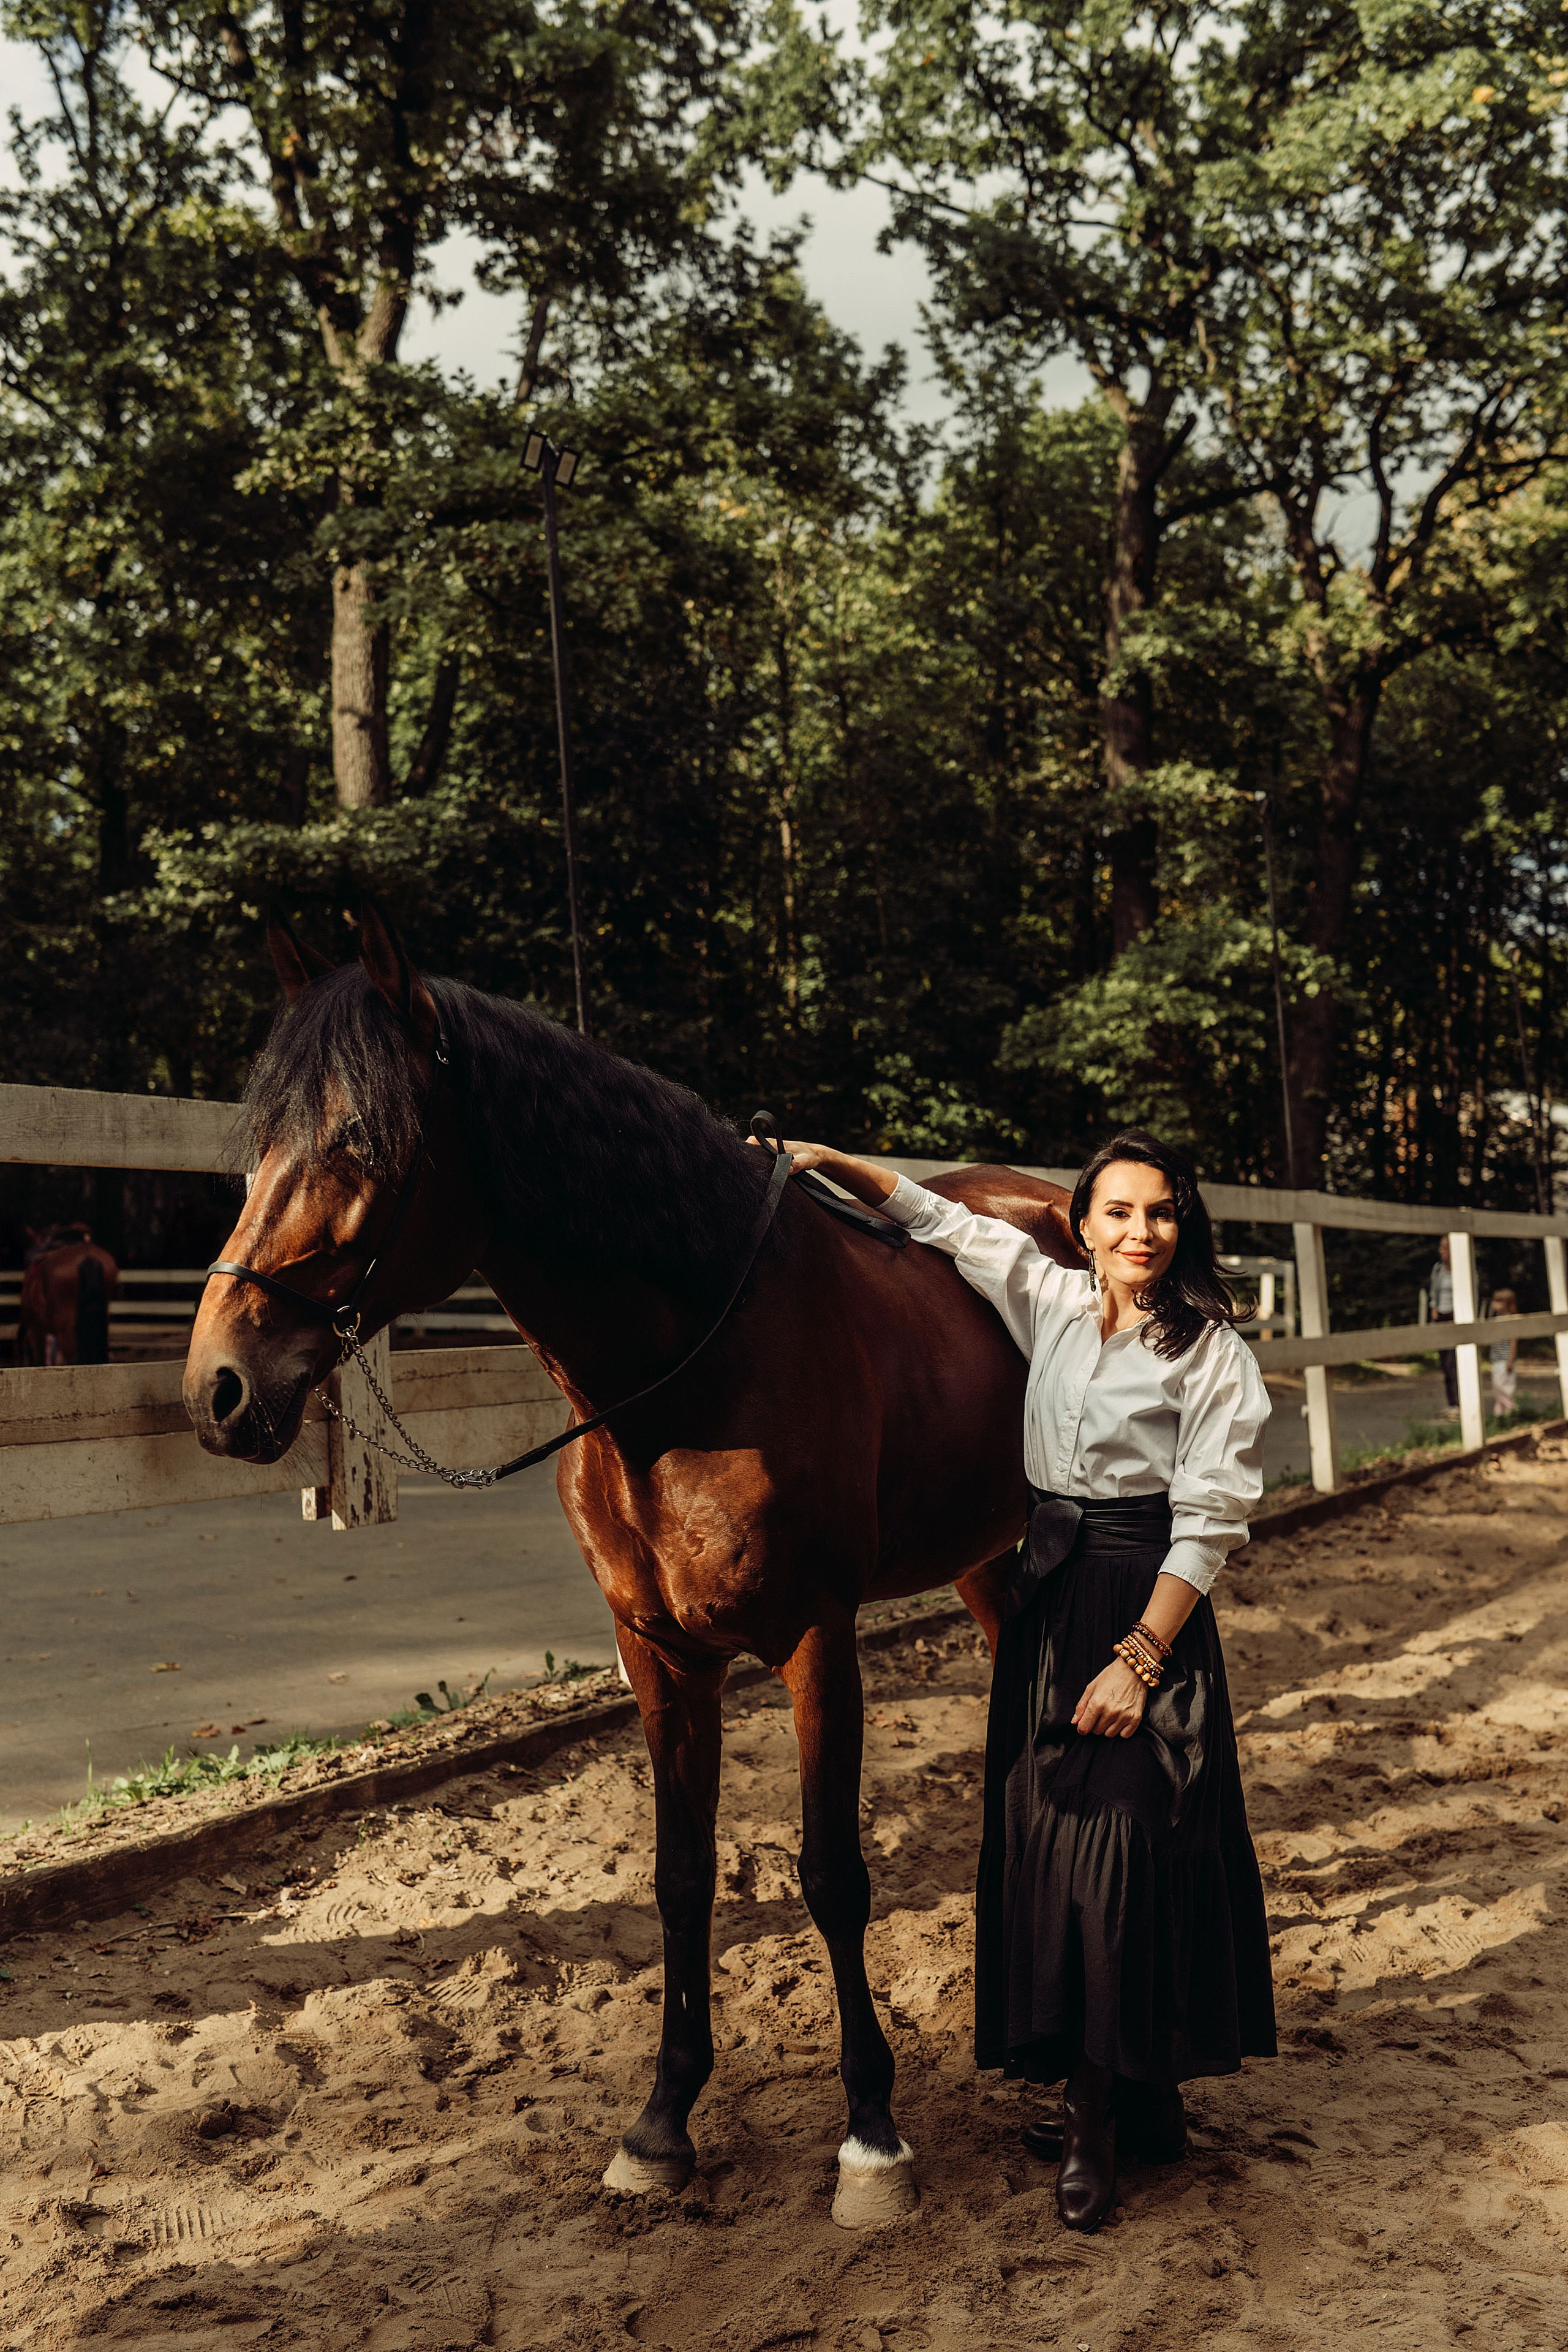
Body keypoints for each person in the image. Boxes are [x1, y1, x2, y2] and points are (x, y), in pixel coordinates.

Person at [769, 1129, 1276, 2234]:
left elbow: (1211, 1521)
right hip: (1047, 1595)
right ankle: (1140, 2098)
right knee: (1050, 1844)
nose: (1140, 1232)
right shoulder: (1047, 1297)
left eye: (1160, 1213)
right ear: (1082, 1223)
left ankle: (1094, 2122)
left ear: (1180, 1226)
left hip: (1144, 1597)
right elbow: (941, 1220)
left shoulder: (1209, 1352)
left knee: (1124, 1845)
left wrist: (1140, 1659)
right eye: (1119, 1213)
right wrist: (831, 1161)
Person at [1429, 1238, 1459, 1414]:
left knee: (1454, 1362)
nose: (1442, 1251)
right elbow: (1434, 1291)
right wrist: (1434, 1309)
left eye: (1446, 1248)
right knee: (1445, 1364)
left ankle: (1460, 1402)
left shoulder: (1463, 1271)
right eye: (1441, 1247)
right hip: (1442, 1318)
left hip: (1456, 1318)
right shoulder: (1438, 1269)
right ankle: (1452, 1403)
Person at [1489, 1287, 1519, 1420]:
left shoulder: (1510, 1319)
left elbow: (1513, 1341)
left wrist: (1510, 1360)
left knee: (1503, 1387)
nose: (1494, 1305)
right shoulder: (1497, 1318)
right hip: (1496, 1359)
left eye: (1498, 1302)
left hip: (1505, 1360)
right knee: (1496, 1387)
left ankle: (1511, 1409)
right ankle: (1500, 1416)